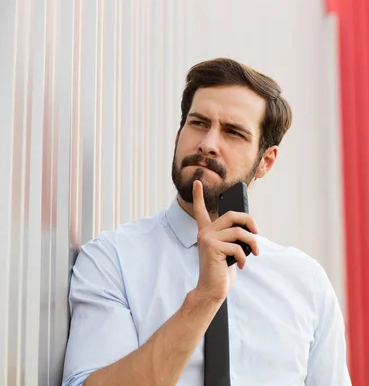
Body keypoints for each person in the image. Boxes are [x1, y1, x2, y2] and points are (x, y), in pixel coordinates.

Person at [62, 58, 352, 385]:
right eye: (198, 123)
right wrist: (205, 298)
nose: (208, 143)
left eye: (233, 132)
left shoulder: (306, 284)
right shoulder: (112, 259)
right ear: (179, 131)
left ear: (265, 161)